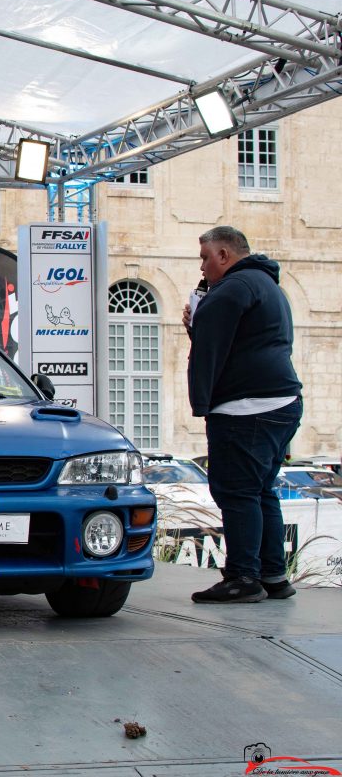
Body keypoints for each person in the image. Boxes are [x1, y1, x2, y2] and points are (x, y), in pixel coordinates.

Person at [183, 226, 302, 604]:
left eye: (205, 257)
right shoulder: (268, 286)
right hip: (281, 402)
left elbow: (210, 349)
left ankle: (242, 576)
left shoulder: (232, 289)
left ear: (224, 256)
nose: (202, 266)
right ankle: (273, 575)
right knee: (260, 490)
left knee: (236, 491)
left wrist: (202, 404)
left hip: (246, 408)